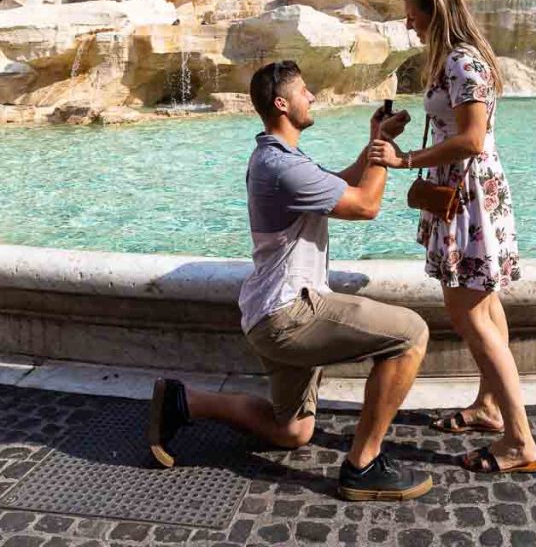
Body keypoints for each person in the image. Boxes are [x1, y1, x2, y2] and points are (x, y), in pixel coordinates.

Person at [148, 60, 433, 501]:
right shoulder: (281, 166)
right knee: (411, 334)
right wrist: (383, 148)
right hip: (291, 314)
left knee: (292, 430)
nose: (313, 96)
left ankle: (185, 401)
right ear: (282, 103)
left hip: (268, 312)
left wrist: (375, 142)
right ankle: (364, 465)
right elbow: (364, 206)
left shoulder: (280, 159)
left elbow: (340, 184)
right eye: (305, 91)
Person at [369, 0, 536, 475]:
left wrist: (407, 160)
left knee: (467, 314)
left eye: (414, 15)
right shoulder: (457, 59)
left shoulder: (463, 61)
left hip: (467, 192)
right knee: (484, 305)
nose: (408, 23)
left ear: (435, 13)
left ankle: (520, 440)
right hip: (466, 188)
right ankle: (490, 406)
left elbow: (471, 138)